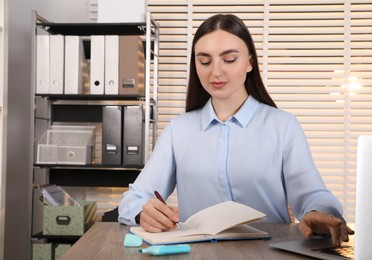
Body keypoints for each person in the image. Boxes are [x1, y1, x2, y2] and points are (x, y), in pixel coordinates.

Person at [118, 13, 354, 246]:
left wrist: (319, 212)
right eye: (204, 61)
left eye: (229, 59)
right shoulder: (178, 130)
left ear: (250, 62)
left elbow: (313, 193)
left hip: (268, 252)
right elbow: (134, 198)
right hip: (198, 253)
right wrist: (143, 212)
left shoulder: (283, 126)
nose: (216, 72)